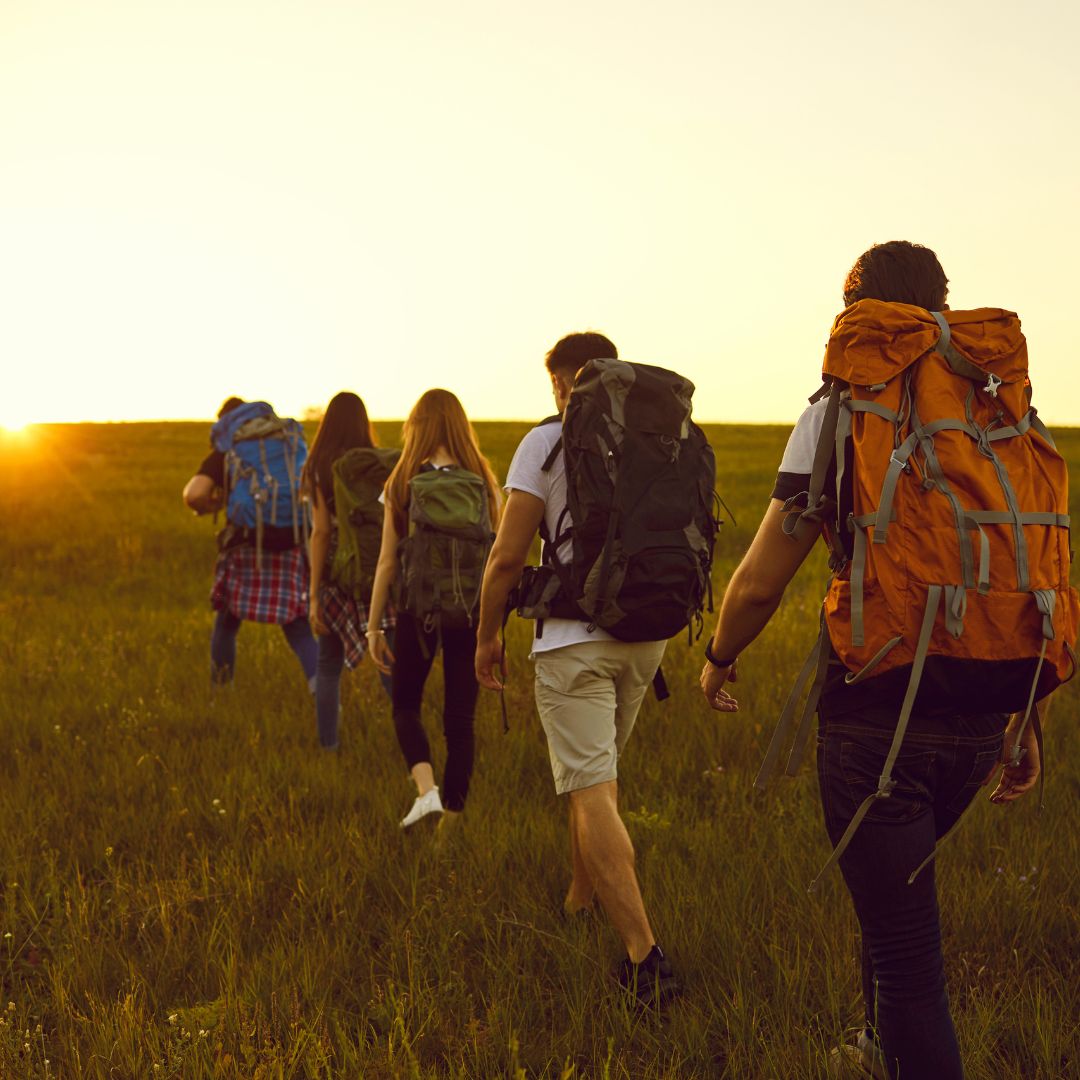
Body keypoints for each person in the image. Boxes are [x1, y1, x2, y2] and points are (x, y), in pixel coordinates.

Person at [698, 242, 1049, 1079]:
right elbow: (1018, 567)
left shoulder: (843, 406)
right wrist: (1027, 716)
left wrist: (718, 656)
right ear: (940, 302)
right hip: (981, 712)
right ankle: (869, 1048)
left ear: (857, 308)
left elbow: (758, 581)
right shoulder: (994, 412)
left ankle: (894, 1048)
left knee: (910, 968)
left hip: (875, 716)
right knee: (891, 911)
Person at [475, 332, 678, 1008]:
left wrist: (486, 637)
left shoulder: (545, 442)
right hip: (648, 635)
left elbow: (506, 557)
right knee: (600, 775)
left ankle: (644, 957)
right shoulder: (658, 434)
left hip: (571, 638)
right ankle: (580, 896)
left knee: (591, 788)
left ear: (563, 383)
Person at [366, 389, 502, 831]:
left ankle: (427, 794)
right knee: (460, 720)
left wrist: (372, 628)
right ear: (462, 426)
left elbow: (387, 560)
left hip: (416, 611)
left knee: (405, 704)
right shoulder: (482, 478)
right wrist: (493, 626)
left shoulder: (402, 480)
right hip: (471, 614)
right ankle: (451, 830)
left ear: (416, 426)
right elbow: (498, 558)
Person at [182, 396, 318, 691]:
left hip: (246, 542)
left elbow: (194, 495)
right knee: (297, 625)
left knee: (227, 619)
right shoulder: (285, 440)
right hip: (291, 538)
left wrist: (213, 504)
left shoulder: (229, 446)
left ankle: (221, 692)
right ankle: (323, 690)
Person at [303, 392, 394, 751]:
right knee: (389, 662)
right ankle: (411, 751)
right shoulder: (378, 463)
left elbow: (321, 531)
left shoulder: (318, 465)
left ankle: (329, 746)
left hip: (337, 574)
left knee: (328, 664)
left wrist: (312, 594)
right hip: (378, 571)